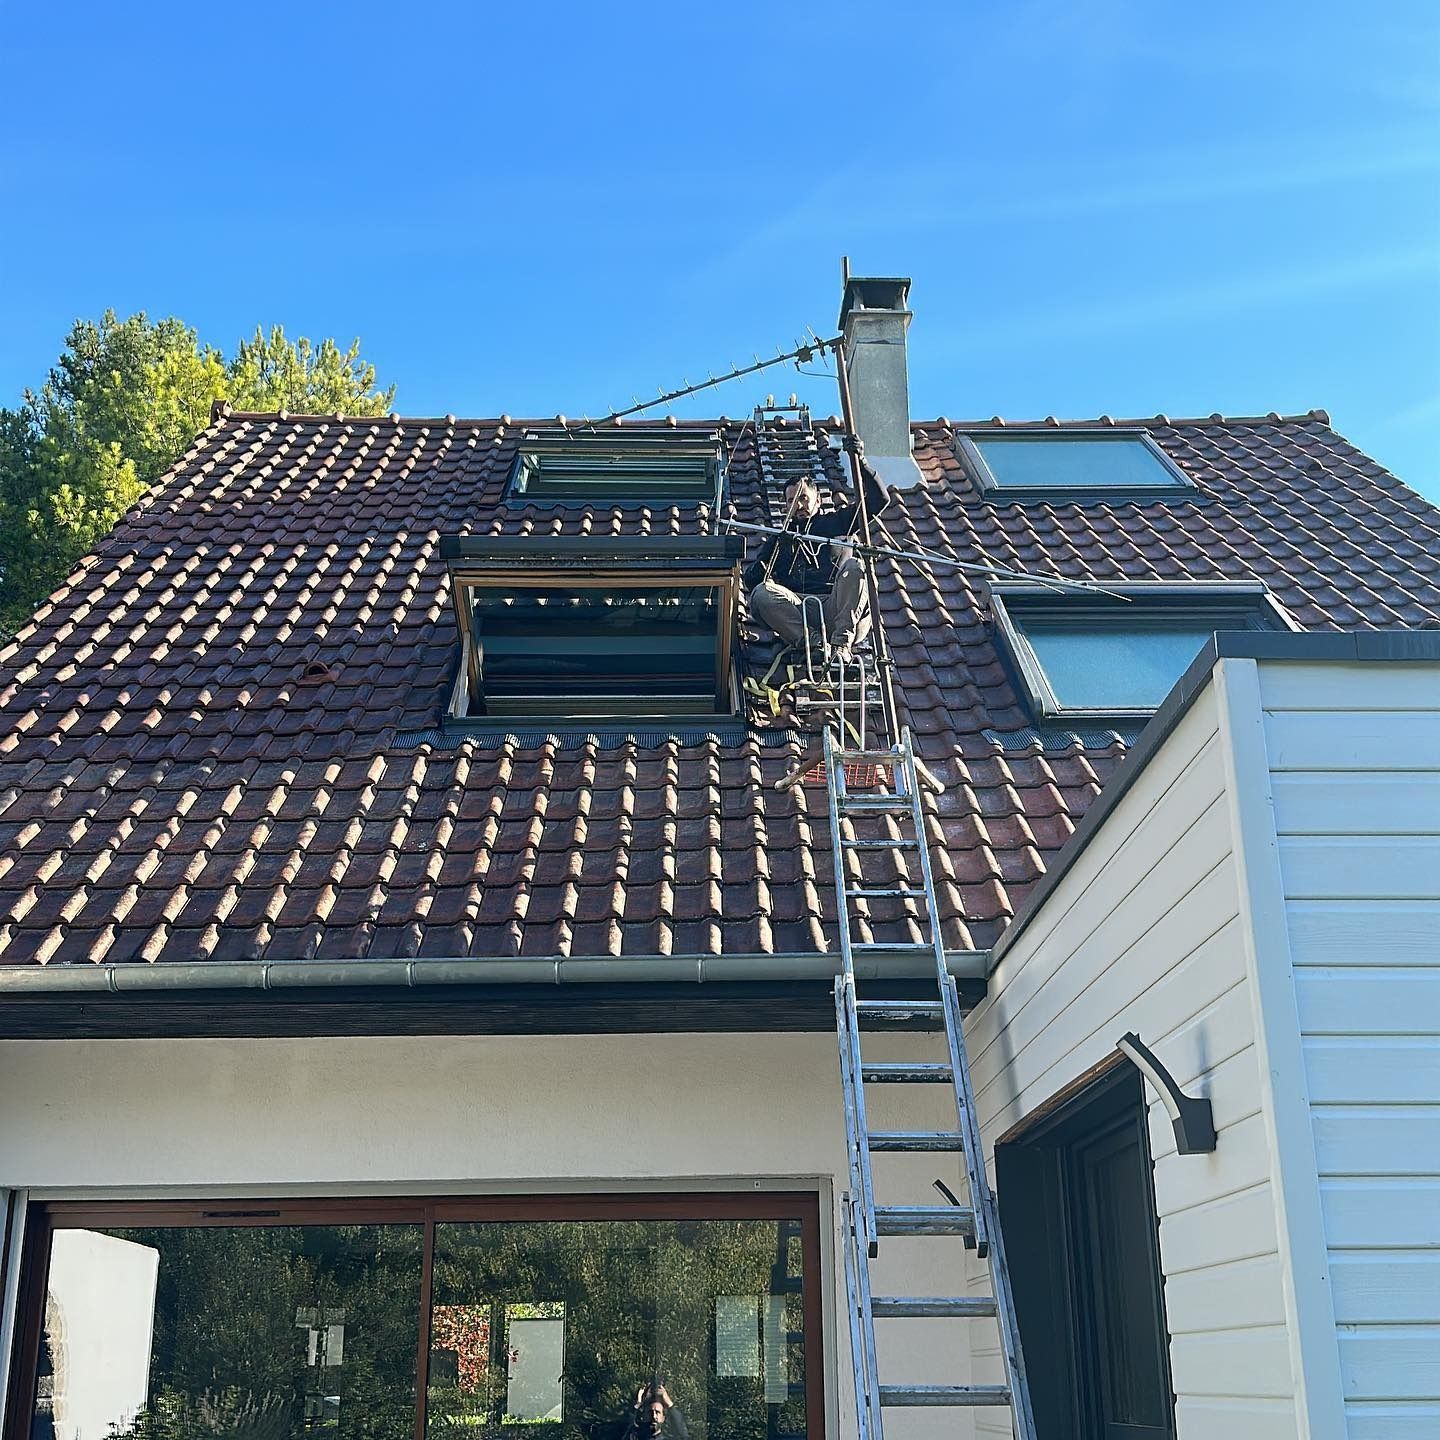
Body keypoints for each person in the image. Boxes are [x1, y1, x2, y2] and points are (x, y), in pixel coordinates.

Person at [744, 454, 890, 667]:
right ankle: (815, 644)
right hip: (801, 614)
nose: (799, 505)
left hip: (839, 609)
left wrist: (860, 462)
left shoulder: (838, 522)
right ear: (786, 506)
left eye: (803, 498)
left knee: (856, 567)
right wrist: (765, 566)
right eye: (792, 500)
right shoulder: (779, 539)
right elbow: (752, 583)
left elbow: (880, 500)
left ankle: (841, 645)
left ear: (818, 500)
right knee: (762, 593)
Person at [624, 1382, 688, 1440]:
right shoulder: (636, 1437)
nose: (654, 1416)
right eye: (650, 1412)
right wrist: (638, 1404)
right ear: (644, 1416)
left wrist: (669, 1404)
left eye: (658, 1412)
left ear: (663, 1418)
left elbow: (683, 1436)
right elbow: (623, 1432)